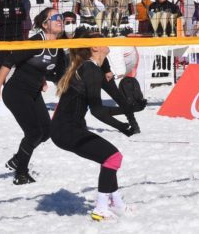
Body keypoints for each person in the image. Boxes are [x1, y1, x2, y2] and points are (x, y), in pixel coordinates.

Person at [51, 32, 136, 220]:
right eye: (102, 39)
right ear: (94, 47)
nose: (107, 41)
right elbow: (97, 111)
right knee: (113, 157)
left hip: (66, 129)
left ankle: (116, 203)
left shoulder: (90, 68)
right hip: (67, 130)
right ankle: (100, 208)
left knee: (109, 159)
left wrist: (130, 110)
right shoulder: (90, 70)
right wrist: (122, 126)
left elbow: (98, 107)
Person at [0, 8, 66, 184]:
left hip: (33, 92)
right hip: (16, 92)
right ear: (45, 24)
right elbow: (9, 61)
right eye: (55, 17)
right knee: (33, 132)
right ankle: (21, 174)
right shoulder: (36, 41)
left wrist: (43, 80)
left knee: (46, 132)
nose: (60, 20)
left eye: (61, 17)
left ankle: (17, 159)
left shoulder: (57, 46)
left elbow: (51, 70)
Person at [0, 0, 26, 64]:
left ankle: (19, 76)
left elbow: (23, 17)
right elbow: (0, 19)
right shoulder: (0, 5)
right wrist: (14, 17)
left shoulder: (20, 4)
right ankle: (1, 77)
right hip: (4, 36)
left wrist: (9, 17)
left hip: (17, 35)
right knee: (3, 62)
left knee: (20, 61)